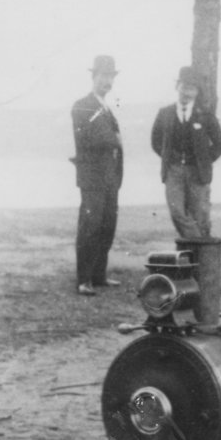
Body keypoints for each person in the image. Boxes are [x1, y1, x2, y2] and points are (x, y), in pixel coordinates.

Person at [152, 67, 221, 239]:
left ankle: (198, 259)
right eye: (184, 87)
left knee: (200, 215)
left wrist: (204, 160)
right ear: (177, 86)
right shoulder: (164, 113)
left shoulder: (205, 115)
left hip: (198, 173)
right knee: (177, 212)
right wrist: (170, 159)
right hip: (173, 172)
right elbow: (156, 142)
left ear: (197, 92)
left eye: (192, 89)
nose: (187, 93)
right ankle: (201, 245)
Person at [71, 55, 123, 297]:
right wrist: (114, 140)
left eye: (111, 77)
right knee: (90, 226)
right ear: (94, 77)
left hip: (110, 177)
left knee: (107, 225)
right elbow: (88, 139)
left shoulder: (106, 107)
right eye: (103, 76)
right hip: (92, 177)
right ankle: (84, 279)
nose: (107, 81)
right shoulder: (81, 105)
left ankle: (99, 275)